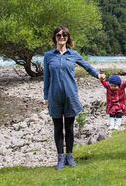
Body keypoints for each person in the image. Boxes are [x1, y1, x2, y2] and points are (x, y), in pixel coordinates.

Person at [43, 26, 105, 170]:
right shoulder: (48, 56)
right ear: (55, 38)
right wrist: (45, 96)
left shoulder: (73, 54)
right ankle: (60, 158)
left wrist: (98, 75)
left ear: (67, 37)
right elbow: (46, 78)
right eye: (58, 35)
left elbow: (87, 67)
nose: (61, 37)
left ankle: (69, 156)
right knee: (58, 128)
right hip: (54, 97)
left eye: (64, 35)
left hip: (70, 96)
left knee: (69, 128)